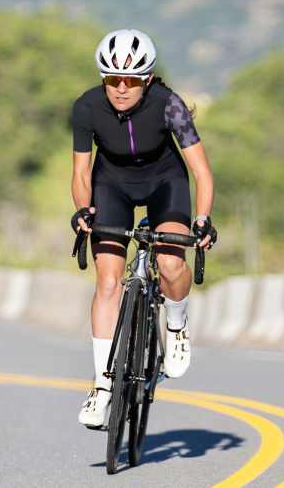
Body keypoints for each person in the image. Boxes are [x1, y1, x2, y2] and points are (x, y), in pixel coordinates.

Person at [71, 29, 217, 428]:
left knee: (170, 264)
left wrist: (202, 218)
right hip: (111, 185)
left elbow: (202, 172)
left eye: (132, 80)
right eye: (113, 78)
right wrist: (83, 209)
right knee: (107, 281)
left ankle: (176, 321)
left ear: (147, 79)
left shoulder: (170, 106)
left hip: (164, 182)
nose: (121, 88)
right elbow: (81, 172)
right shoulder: (86, 107)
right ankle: (102, 386)